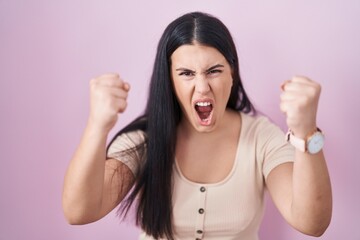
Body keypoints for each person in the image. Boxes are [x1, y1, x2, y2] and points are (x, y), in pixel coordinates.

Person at [62, 12, 332, 240]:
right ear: (169, 80)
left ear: (232, 73)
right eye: (186, 74)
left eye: (214, 70)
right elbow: (79, 212)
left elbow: (311, 223)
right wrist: (97, 125)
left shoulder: (261, 137)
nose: (202, 87)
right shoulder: (144, 140)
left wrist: (305, 131)